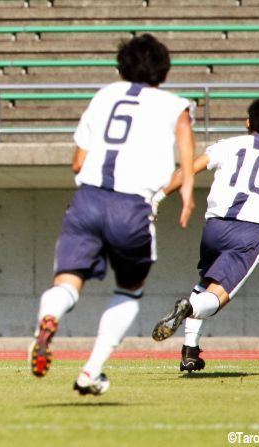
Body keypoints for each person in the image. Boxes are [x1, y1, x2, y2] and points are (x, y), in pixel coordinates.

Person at [29, 33, 196, 395]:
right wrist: (186, 191)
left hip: (87, 199)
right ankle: (90, 371)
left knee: (67, 282)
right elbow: (185, 136)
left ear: (122, 66)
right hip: (132, 206)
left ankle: (50, 317)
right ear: (164, 70)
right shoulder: (174, 104)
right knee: (130, 290)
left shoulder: (105, 95)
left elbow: (78, 160)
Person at [151, 95, 259, 372]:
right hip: (250, 231)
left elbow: (188, 169)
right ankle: (188, 308)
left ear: (248, 122)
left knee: (207, 283)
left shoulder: (229, 145)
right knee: (218, 296)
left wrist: (157, 197)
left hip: (214, 226)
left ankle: (190, 353)